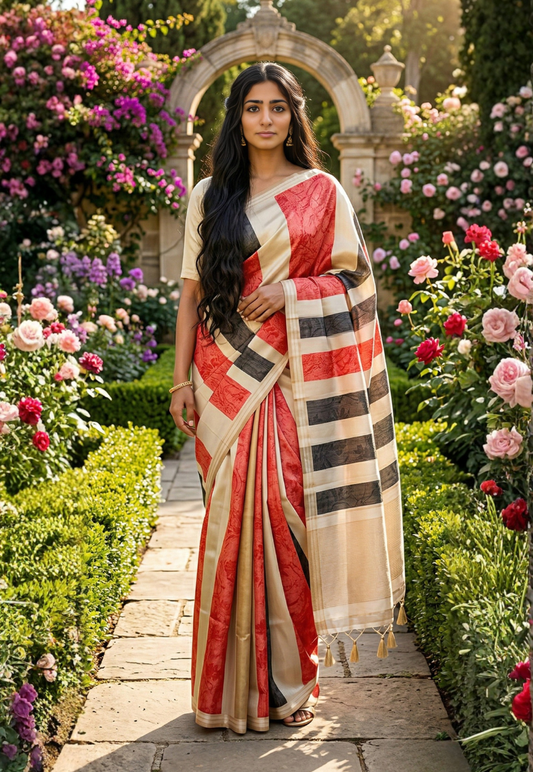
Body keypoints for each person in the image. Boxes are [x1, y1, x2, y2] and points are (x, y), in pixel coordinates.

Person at [170, 62, 405, 735]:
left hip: (293, 375)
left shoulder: (321, 191)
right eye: (252, 108)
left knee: (280, 505)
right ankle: (227, 690)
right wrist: (181, 379)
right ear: (236, 120)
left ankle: (286, 679)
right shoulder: (210, 193)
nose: (265, 118)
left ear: (293, 116)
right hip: (223, 375)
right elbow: (189, 294)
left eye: (277, 107)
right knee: (227, 521)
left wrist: (292, 293)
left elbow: (355, 284)